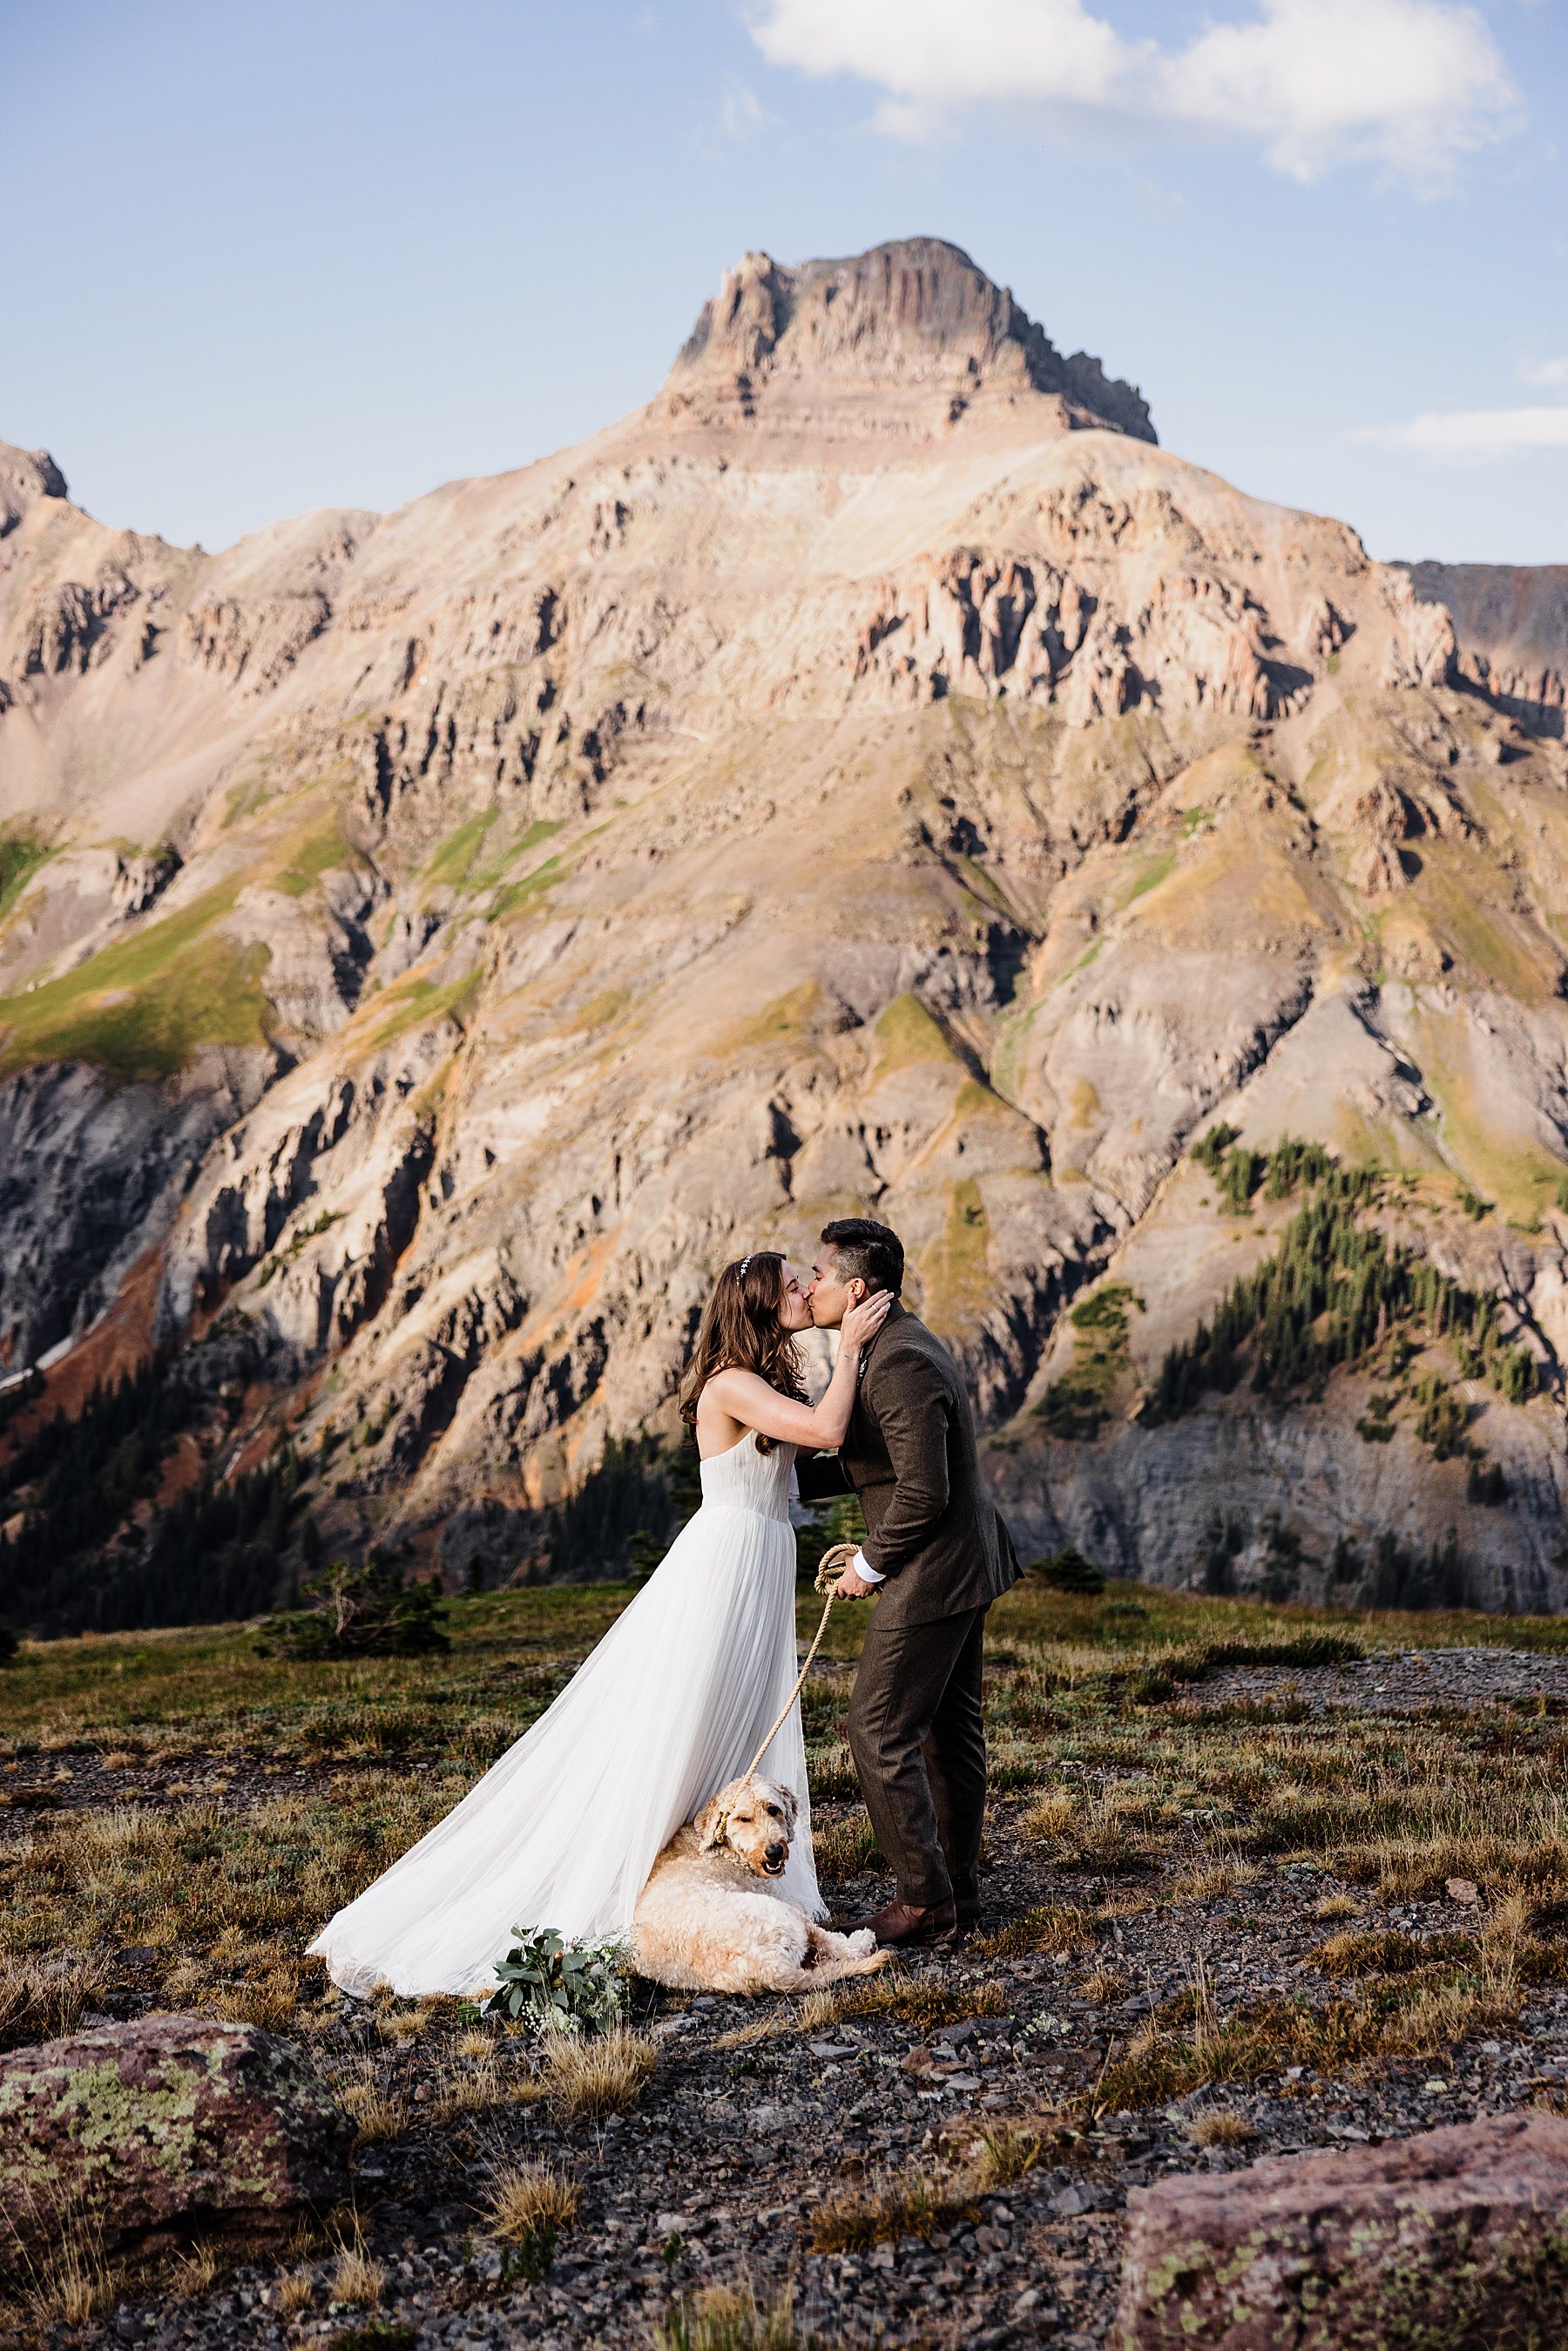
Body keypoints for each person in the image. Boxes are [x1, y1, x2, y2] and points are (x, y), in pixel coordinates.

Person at [306, 1252, 890, 1997]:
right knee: (690, 1723)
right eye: (792, 1286)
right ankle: (643, 1880)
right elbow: (827, 1427)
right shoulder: (731, 1383)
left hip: (761, 1560)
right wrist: (850, 1350)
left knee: (742, 1722)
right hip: (725, 1565)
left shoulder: (760, 1379)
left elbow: (806, 1457)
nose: (808, 1289)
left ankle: (721, 1872)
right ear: (758, 1307)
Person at [797, 1216, 1019, 1948]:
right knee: (949, 1737)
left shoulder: (899, 1361)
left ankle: (925, 1903)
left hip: (934, 1569)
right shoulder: (896, 1346)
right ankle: (960, 1896)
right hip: (961, 1561)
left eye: (822, 1276)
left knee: (877, 1730)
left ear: (856, 1288)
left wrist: (867, 1566)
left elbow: (924, 1490)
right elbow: (879, 1455)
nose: (812, 1285)